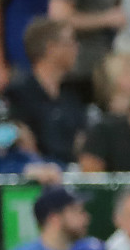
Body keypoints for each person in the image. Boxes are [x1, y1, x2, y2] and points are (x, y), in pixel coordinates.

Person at [5, 19, 89, 165]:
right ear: (51, 48)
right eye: (70, 42)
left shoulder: (72, 96)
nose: (76, 47)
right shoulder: (18, 95)